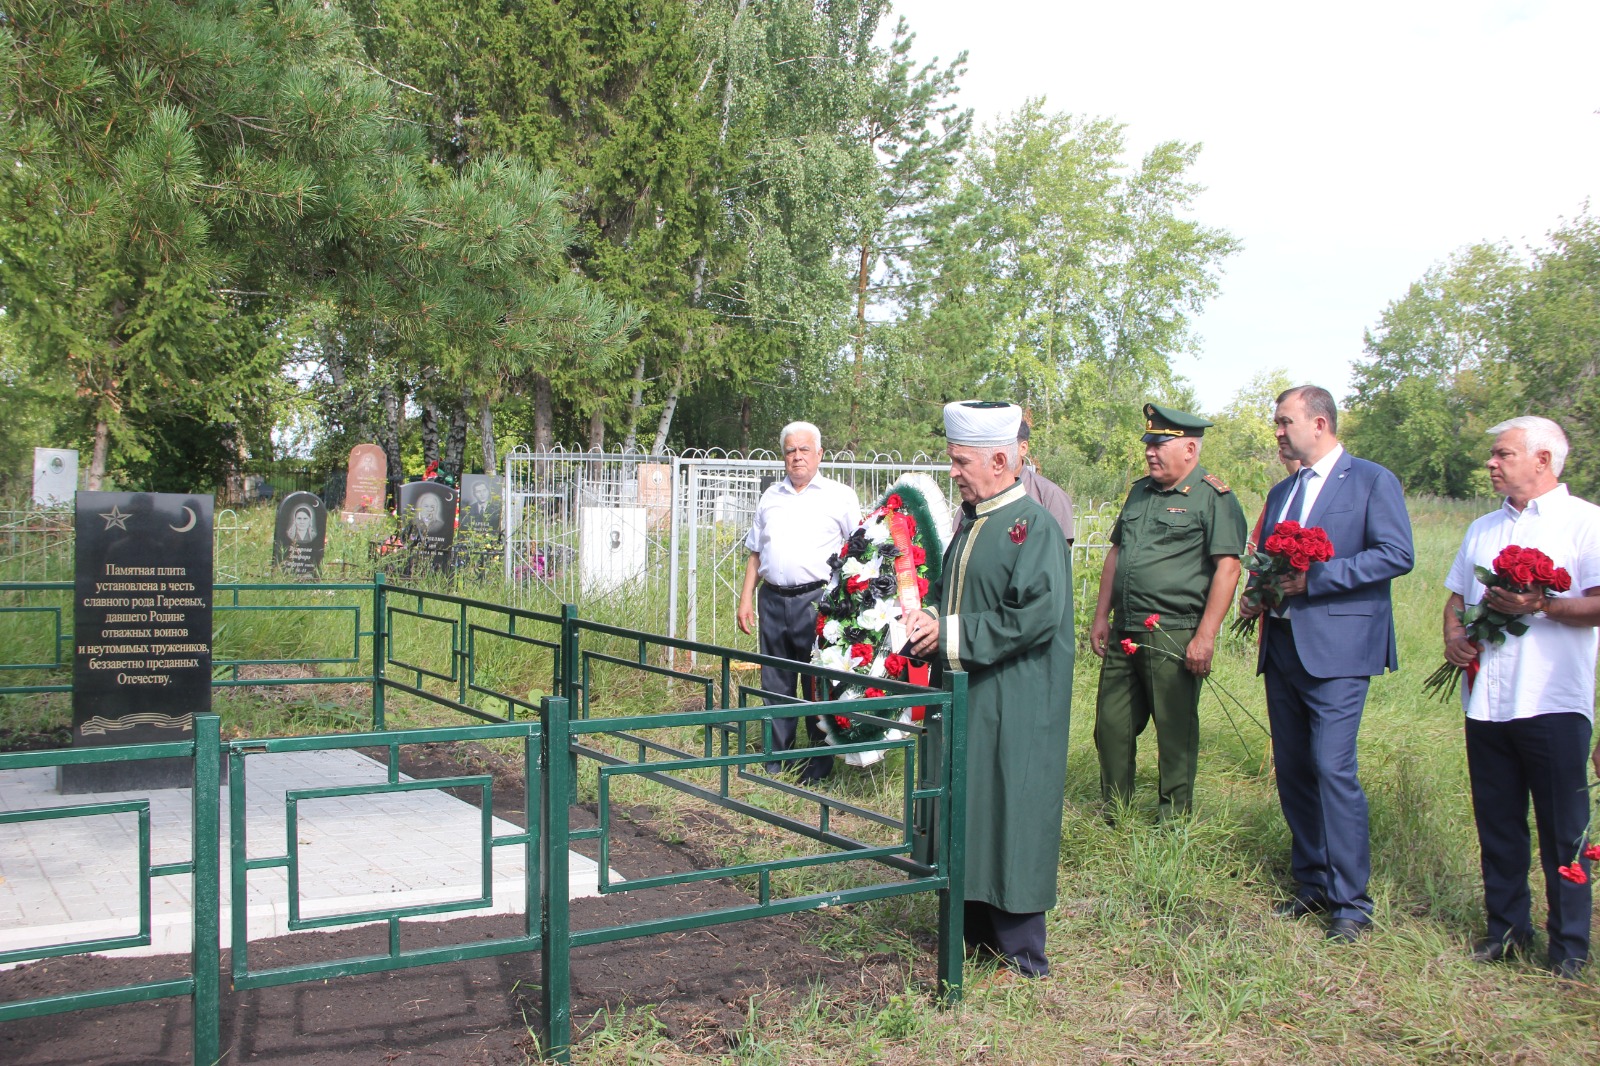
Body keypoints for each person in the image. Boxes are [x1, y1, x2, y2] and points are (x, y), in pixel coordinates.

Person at [904, 400, 1074, 978]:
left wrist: (947, 632)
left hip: (1017, 698)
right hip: (974, 693)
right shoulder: (976, 522)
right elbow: (963, 600)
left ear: (1000, 459)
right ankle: (973, 933)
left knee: (1013, 809)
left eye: (960, 461)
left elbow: (1034, 618)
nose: (952, 472)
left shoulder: (1035, 527)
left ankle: (1022, 951)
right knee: (971, 804)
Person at [1238, 385, 1414, 943]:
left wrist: (1318, 579)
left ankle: (1350, 903)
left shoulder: (1369, 480)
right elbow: (1270, 558)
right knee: (1293, 768)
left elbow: (1396, 554)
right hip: (1285, 644)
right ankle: (1310, 883)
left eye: (1286, 421)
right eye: (1277, 422)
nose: (1279, 432)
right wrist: (1259, 590)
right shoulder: (1283, 490)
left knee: (1332, 768)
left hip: (1338, 651)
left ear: (1320, 422)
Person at [1442, 416, 1600, 977]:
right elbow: (1458, 597)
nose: (1491, 463)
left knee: (1564, 828)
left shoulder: (1584, 523)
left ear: (1543, 460)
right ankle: (1505, 930)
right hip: (1488, 698)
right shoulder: (1483, 528)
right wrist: (1455, 638)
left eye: (1502, 453)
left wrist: (1543, 605)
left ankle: (1570, 947)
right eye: (1492, 455)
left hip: (1552, 697)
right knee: (1499, 821)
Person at [1089, 403, 1247, 820]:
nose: (1150, 452)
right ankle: (1116, 809)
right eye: (1149, 444)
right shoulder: (1140, 491)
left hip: (1173, 630)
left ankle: (1173, 816)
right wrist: (1101, 616)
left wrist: (1206, 636)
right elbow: (1116, 553)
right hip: (1126, 628)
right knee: (1111, 725)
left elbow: (1228, 568)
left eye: (1160, 444)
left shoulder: (1214, 498)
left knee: (1174, 729)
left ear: (1190, 450)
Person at [737, 422, 861, 783]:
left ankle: (817, 765)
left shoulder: (839, 496)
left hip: (818, 602)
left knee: (816, 684)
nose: (797, 457)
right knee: (775, 682)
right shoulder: (770, 497)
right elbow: (756, 553)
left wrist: (851, 603)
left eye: (804, 450)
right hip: (772, 600)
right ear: (783, 455)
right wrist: (746, 599)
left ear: (819, 454)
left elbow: (859, 549)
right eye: (791, 450)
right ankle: (777, 761)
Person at [954, 417, 1074, 546]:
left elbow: (1057, 556)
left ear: (1023, 448)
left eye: (1005, 447)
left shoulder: (1050, 495)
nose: (997, 455)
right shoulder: (977, 493)